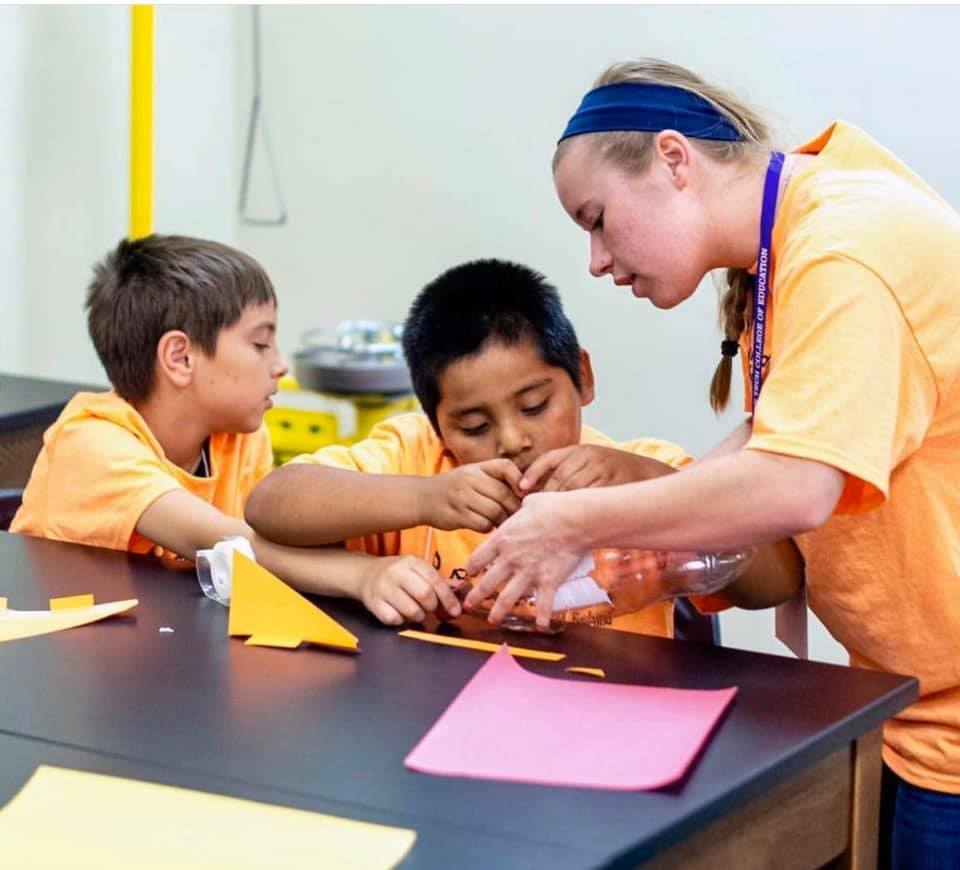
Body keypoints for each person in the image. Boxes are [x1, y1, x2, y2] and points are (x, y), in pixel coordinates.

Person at [463, 59, 960, 865]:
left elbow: (795, 485)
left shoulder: (847, 247)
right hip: (909, 704)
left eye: (597, 219)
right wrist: (631, 551)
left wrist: (570, 524)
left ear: (672, 159)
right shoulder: (816, 223)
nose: (595, 259)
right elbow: (772, 440)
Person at [246, 258, 801, 631]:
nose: (513, 440)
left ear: (582, 378)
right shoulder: (419, 460)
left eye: (535, 406)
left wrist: (648, 483)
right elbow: (271, 504)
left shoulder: (642, 472)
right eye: (472, 426)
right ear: (437, 426)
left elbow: (777, 579)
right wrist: (424, 500)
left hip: (611, 726)